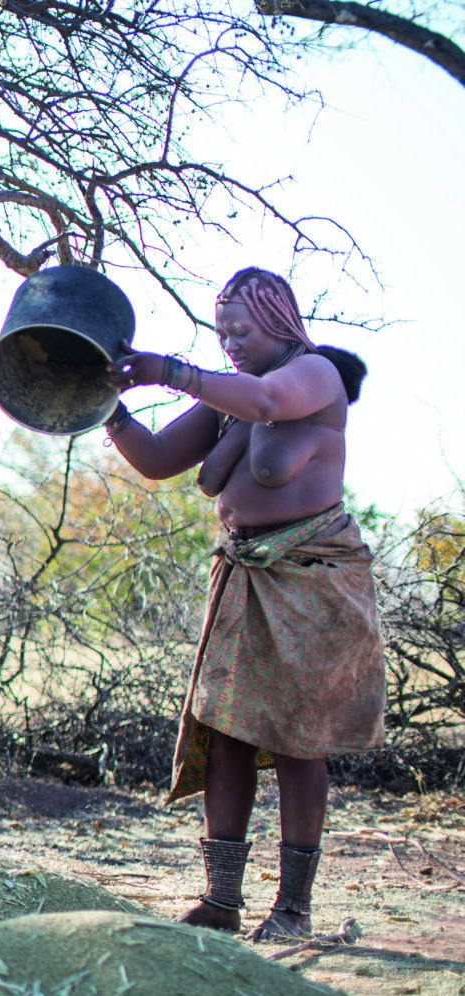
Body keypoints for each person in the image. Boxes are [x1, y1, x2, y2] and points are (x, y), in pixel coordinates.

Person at [100, 267, 386, 941]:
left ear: (281, 323)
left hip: (313, 575)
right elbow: (159, 458)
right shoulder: (230, 397)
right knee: (225, 734)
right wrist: (104, 404)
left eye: (244, 330)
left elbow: (264, 404)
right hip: (243, 575)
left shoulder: (312, 375)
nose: (230, 342)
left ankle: (291, 908)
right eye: (222, 330)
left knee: (297, 740)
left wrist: (169, 370)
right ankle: (221, 901)